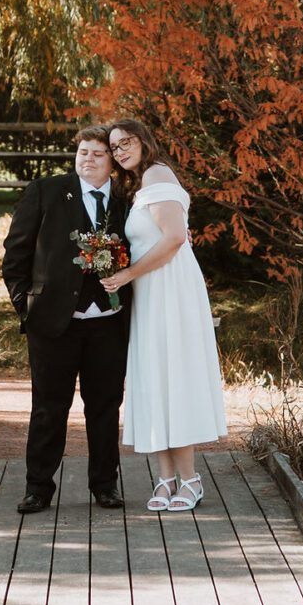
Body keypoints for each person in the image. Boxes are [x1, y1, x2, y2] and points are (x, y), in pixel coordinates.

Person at [1, 126, 130, 515]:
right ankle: (38, 488)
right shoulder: (47, 191)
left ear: (112, 162)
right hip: (53, 323)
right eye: (82, 152)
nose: (87, 159)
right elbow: (15, 255)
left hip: (109, 321)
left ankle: (105, 485)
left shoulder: (127, 200)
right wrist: (26, 307)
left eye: (97, 154)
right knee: (49, 407)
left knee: (105, 406)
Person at [103, 116, 226, 513]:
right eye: (114, 146)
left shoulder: (157, 174)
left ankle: (190, 479)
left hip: (171, 290)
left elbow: (174, 239)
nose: (119, 151)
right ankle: (166, 478)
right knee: (154, 378)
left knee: (174, 377)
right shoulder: (141, 184)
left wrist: (126, 275)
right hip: (151, 294)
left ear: (143, 141)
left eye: (125, 142)